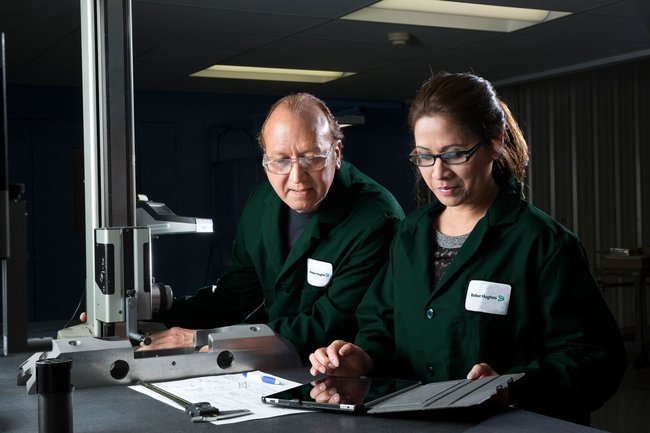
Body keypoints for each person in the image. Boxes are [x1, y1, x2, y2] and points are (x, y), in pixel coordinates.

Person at [308, 72, 627, 424]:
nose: (438, 173)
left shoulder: (543, 243)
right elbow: (379, 323)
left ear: (495, 142)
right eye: (424, 156)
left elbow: (593, 358)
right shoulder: (410, 235)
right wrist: (362, 358)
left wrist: (510, 386)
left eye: (455, 154)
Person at [141, 92, 404, 359]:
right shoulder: (261, 202)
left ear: (336, 153)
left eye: (311, 157)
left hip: (340, 370)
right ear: (265, 161)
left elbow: (328, 323)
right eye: (280, 161)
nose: (296, 177)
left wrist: (205, 339)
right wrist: (158, 316)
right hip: (276, 360)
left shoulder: (376, 218)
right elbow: (235, 296)